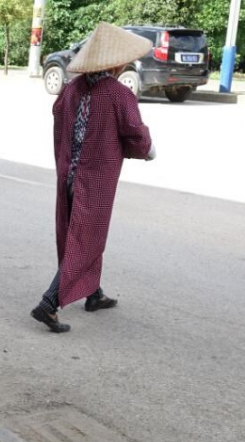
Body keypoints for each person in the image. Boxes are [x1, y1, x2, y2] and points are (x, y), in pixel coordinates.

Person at [30, 23, 156, 334]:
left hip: (69, 176)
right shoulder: (118, 94)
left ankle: (93, 293)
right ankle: (49, 303)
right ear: (115, 63)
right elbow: (136, 135)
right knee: (87, 239)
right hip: (95, 180)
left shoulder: (71, 89)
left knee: (81, 233)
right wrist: (146, 149)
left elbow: (59, 118)